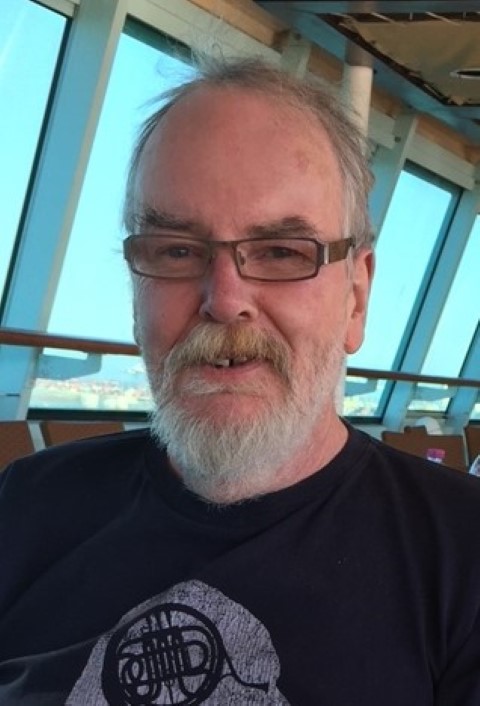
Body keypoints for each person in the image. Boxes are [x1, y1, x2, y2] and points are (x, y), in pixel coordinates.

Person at [1, 56, 480, 706]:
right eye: (176, 250)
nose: (225, 300)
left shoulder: (462, 556)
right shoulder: (24, 508)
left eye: (282, 252)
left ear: (356, 298)